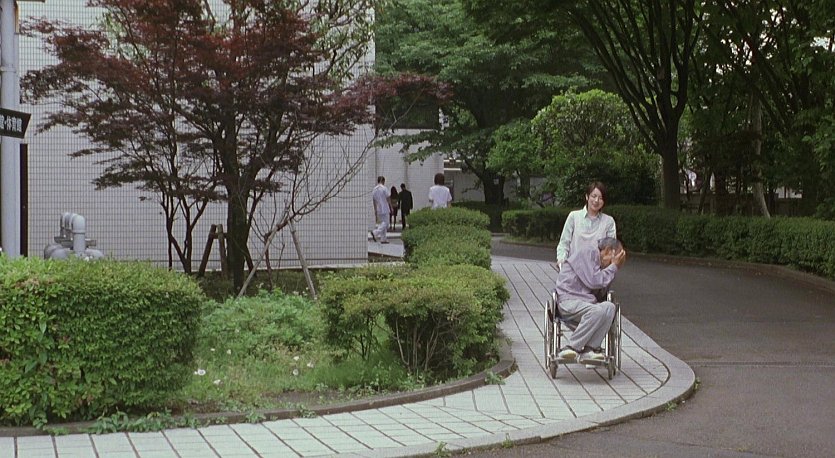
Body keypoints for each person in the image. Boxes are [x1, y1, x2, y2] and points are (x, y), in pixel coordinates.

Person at [555, 237, 626, 363]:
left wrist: (613, 268)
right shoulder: (588, 252)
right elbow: (594, 281)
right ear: (607, 250)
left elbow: (601, 291)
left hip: (586, 303)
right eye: (614, 258)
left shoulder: (598, 261)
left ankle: (590, 349)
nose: (612, 264)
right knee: (597, 311)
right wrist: (614, 267)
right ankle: (571, 347)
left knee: (610, 307)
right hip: (569, 300)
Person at [556, 182, 616, 270]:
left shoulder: (608, 222)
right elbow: (564, 243)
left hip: (597, 273)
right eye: (594, 196)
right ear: (587, 197)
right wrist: (561, 260)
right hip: (573, 270)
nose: (596, 200)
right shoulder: (574, 217)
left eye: (600, 198)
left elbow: (610, 250)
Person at [370, 176, 390, 244]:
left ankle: (383, 239)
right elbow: (388, 198)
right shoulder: (384, 188)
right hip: (385, 208)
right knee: (386, 223)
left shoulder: (374, 189)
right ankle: (375, 232)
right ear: (382, 181)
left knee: (382, 223)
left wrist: (375, 209)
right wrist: (391, 206)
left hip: (379, 208)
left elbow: (374, 200)